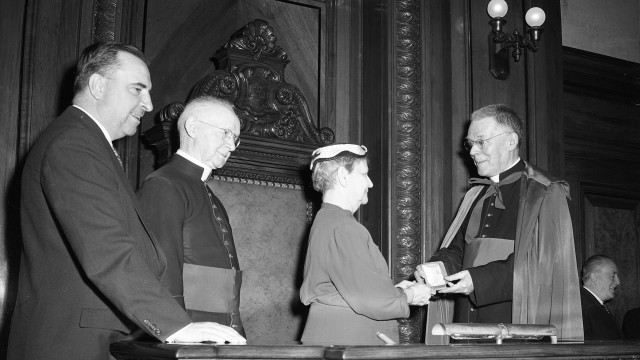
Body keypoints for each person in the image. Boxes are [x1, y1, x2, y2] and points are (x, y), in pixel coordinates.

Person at [7, 43, 245, 360]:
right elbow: (107, 249)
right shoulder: (74, 142)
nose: (148, 104)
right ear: (97, 85)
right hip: (71, 343)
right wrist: (176, 326)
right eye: (137, 89)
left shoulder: (85, 141)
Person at [415, 104, 583, 341]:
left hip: (518, 321)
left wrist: (477, 280)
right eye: (470, 144)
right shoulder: (474, 195)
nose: (473, 151)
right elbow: (456, 251)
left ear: (511, 141)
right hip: (466, 324)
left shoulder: (546, 191)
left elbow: (544, 263)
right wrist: (435, 270)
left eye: (481, 142)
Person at [299, 144, 434, 345]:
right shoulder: (344, 227)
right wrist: (410, 295)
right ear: (344, 176)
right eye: (364, 174)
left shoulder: (327, 220)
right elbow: (371, 301)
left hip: (335, 334)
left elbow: (350, 288)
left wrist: (394, 291)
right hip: (349, 339)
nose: (370, 183)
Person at [137, 96, 245, 337]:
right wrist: (178, 331)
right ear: (193, 127)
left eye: (235, 139)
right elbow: (161, 271)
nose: (231, 146)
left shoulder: (207, 193)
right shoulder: (164, 185)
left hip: (217, 333)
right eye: (226, 133)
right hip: (188, 332)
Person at [580, 255, 624, 340]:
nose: (618, 282)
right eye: (612, 276)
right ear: (595, 278)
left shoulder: (594, 304)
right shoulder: (582, 308)